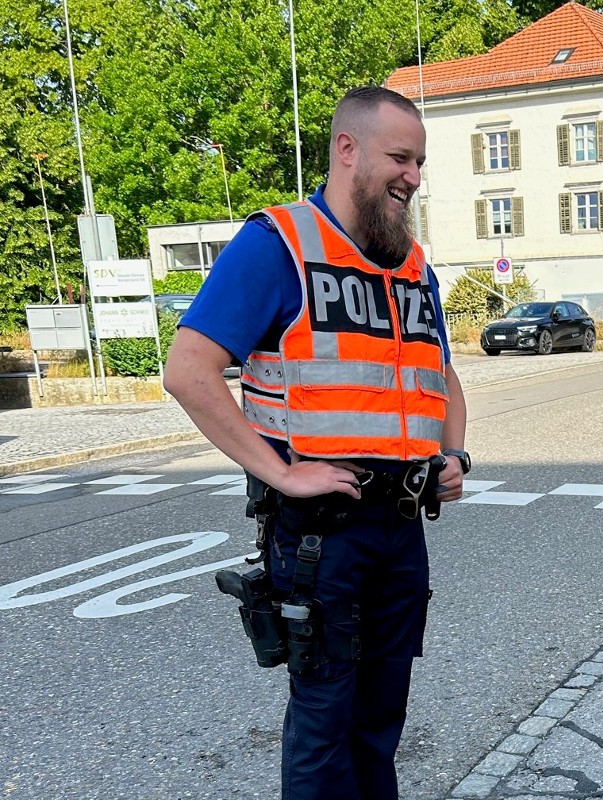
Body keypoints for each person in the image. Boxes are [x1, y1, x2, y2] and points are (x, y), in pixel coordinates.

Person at [164, 86, 470, 800]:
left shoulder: (413, 267)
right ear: (346, 149)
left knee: (381, 720)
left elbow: (442, 375)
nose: (414, 176)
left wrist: (452, 455)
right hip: (319, 537)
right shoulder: (279, 244)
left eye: (420, 162)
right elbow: (189, 371)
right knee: (324, 722)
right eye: (401, 157)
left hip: (399, 529)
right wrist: (282, 474)